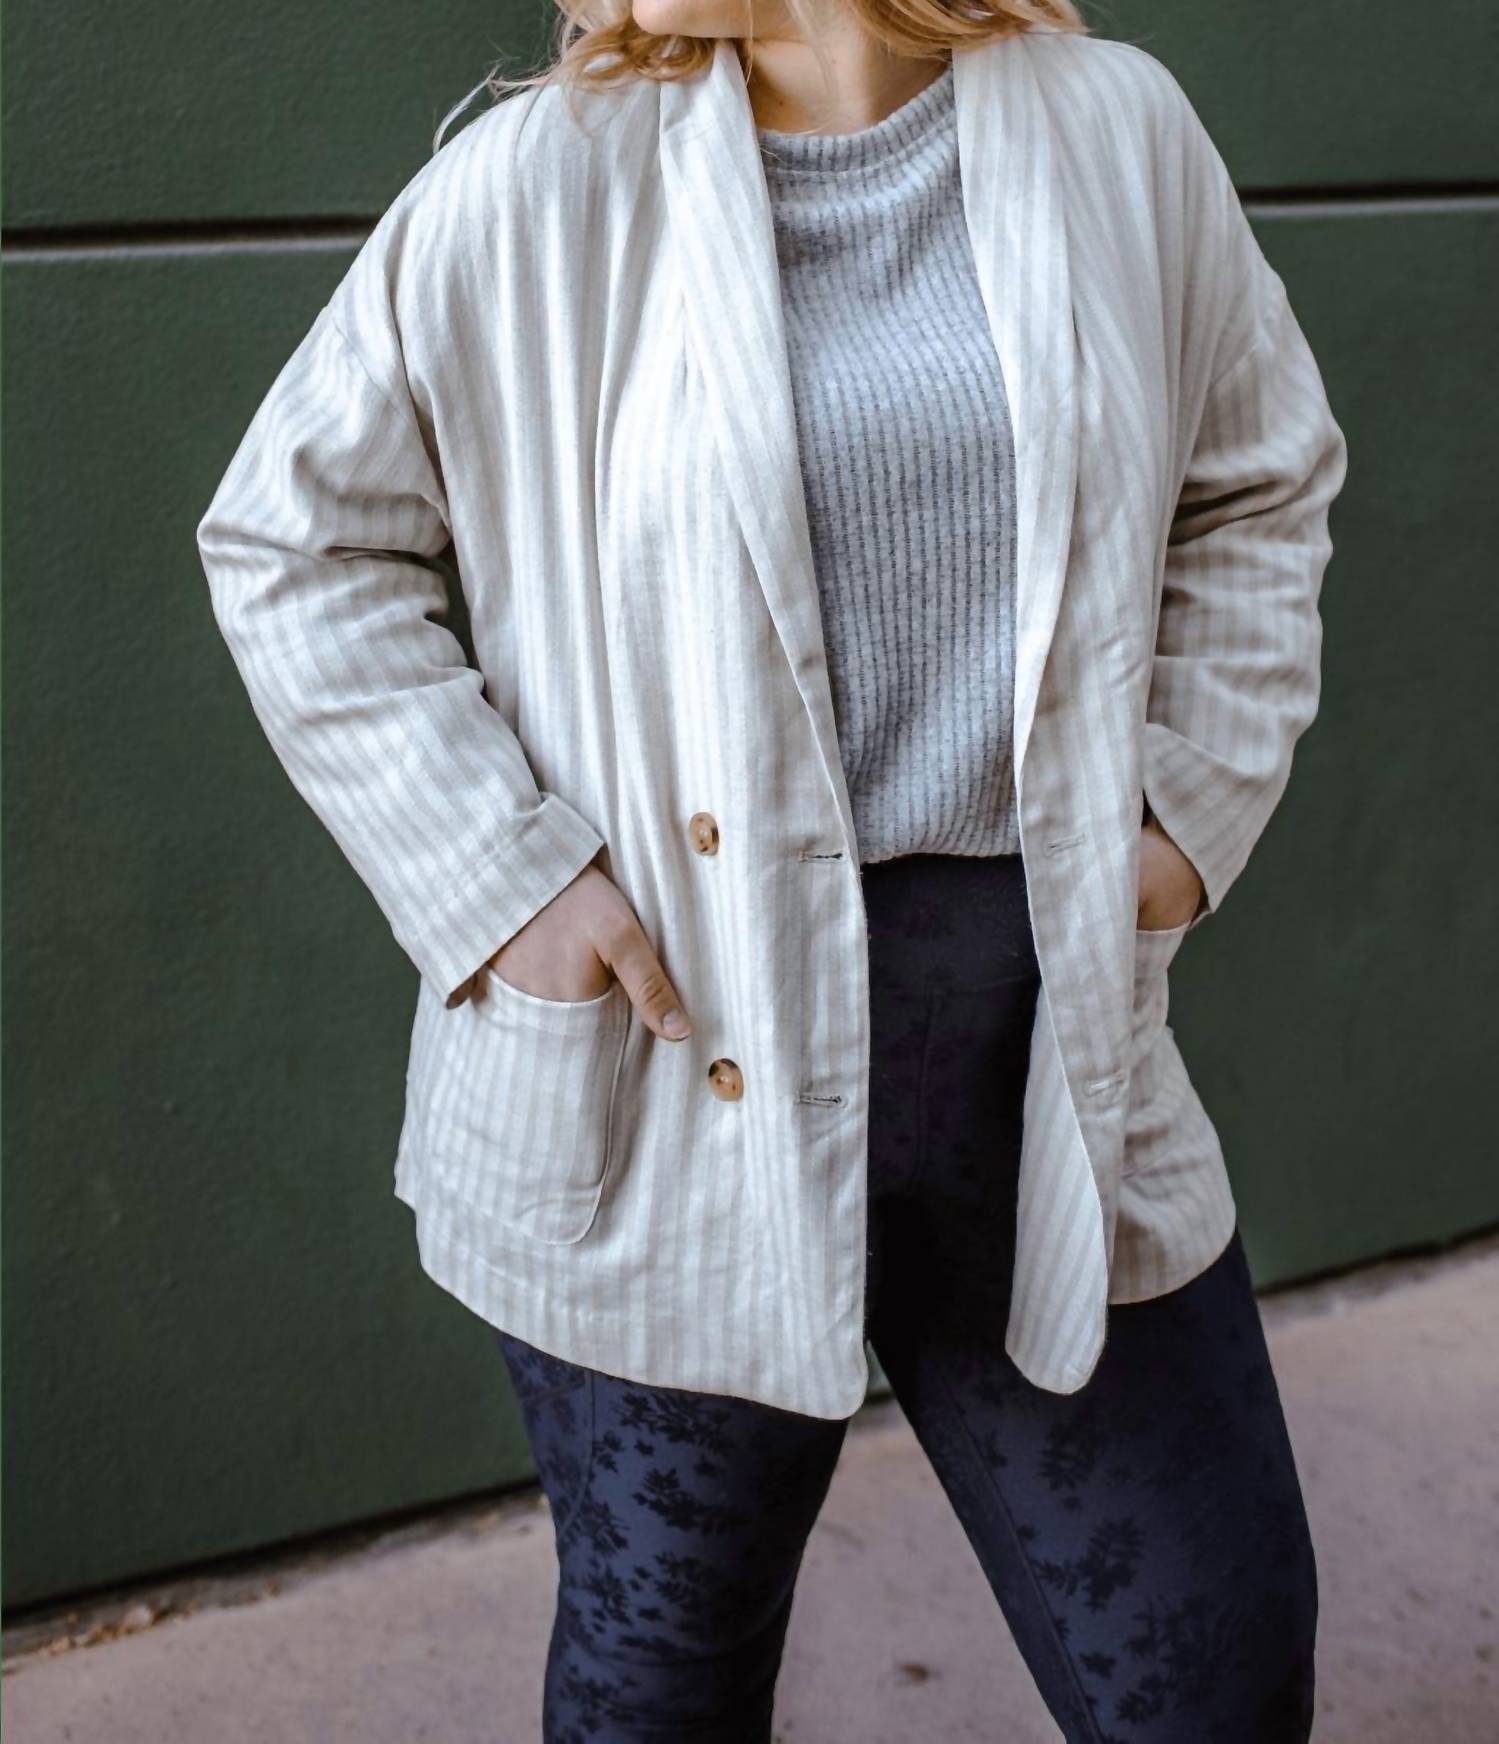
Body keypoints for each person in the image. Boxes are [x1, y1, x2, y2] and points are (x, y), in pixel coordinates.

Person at [196, 0, 1348, 1737]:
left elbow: (1258, 485)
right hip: (674, 1072)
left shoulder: (1116, 130)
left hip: (1042, 1063)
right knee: (667, 1670)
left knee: (1216, 1669)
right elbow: (293, 540)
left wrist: (1184, 812)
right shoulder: (537, 184)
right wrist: (506, 881)